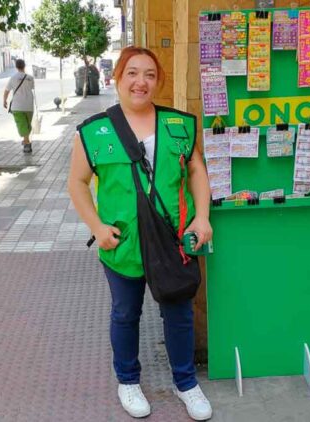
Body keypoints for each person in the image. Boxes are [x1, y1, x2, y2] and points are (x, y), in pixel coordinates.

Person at [68, 47, 214, 420]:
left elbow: (196, 171)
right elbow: (78, 183)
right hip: (123, 243)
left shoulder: (178, 125)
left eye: (149, 74)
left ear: (158, 81)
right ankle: (128, 380)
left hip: (172, 239)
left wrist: (202, 218)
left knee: (179, 312)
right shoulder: (94, 131)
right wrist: (97, 228)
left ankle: (186, 383)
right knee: (125, 313)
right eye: (132, 73)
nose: (140, 82)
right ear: (116, 78)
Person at [3, 59, 35, 154]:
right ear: (24, 66)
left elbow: (7, 90)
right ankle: (27, 142)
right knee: (27, 125)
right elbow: (32, 87)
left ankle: (26, 141)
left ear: (16, 66)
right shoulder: (30, 78)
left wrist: (4, 100)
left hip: (17, 106)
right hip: (29, 105)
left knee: (23, 125)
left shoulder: (13, 78)